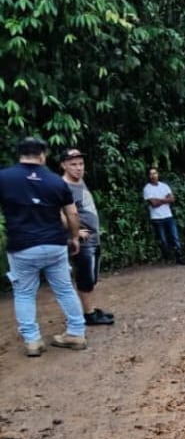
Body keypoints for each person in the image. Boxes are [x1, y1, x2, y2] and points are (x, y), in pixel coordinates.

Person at [0, 136, 87, 355]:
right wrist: (75, 237)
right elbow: (72, 213)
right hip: (55, 245)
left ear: (20, 154)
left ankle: (33, 341)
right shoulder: (57, 181)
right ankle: (76, 333)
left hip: (22, 246)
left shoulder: (4, 178)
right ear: (43, 155)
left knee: (24, 293)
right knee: (65, 289)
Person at [59, 148, 114, 326]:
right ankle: (89, 315)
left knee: (91, 277)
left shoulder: (79, 181)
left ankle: (89, 309)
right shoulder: (62, 186)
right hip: (81, 240)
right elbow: (56, 213)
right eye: (73, 164)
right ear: (63, 165)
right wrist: (74, 232)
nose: (78, 168)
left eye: (81, 164)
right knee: (84, 278)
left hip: (93, 236)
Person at [142, 166, 185, 264]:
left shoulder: (164, 186)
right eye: (151, 174)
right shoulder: (147, 189)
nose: (153, 176)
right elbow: (153, 203)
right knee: (163, 240)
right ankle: (168, 258)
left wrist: (159, 200)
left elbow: (172, 199)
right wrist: (165, 200)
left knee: (175, 237)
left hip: (168, 216)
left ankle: (180, 258)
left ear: (158, 174)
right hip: (156, 218)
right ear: (148, 176)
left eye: (155, 173)